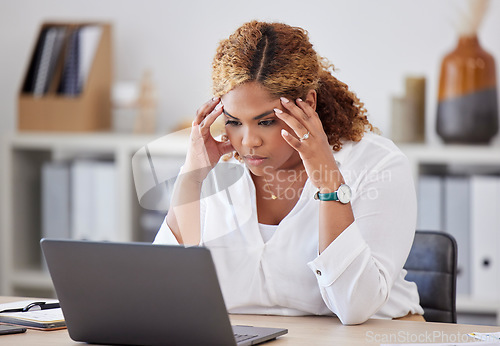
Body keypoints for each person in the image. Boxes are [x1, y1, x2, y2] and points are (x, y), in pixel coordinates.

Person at [154, 20, 424, 325]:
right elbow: (164, 294)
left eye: (266, 121)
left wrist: (327, 180)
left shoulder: (376, 165)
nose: (248, 141)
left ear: (307, 103)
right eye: (233, 121)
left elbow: (354, 307)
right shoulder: (217, 166)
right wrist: (192, 176)